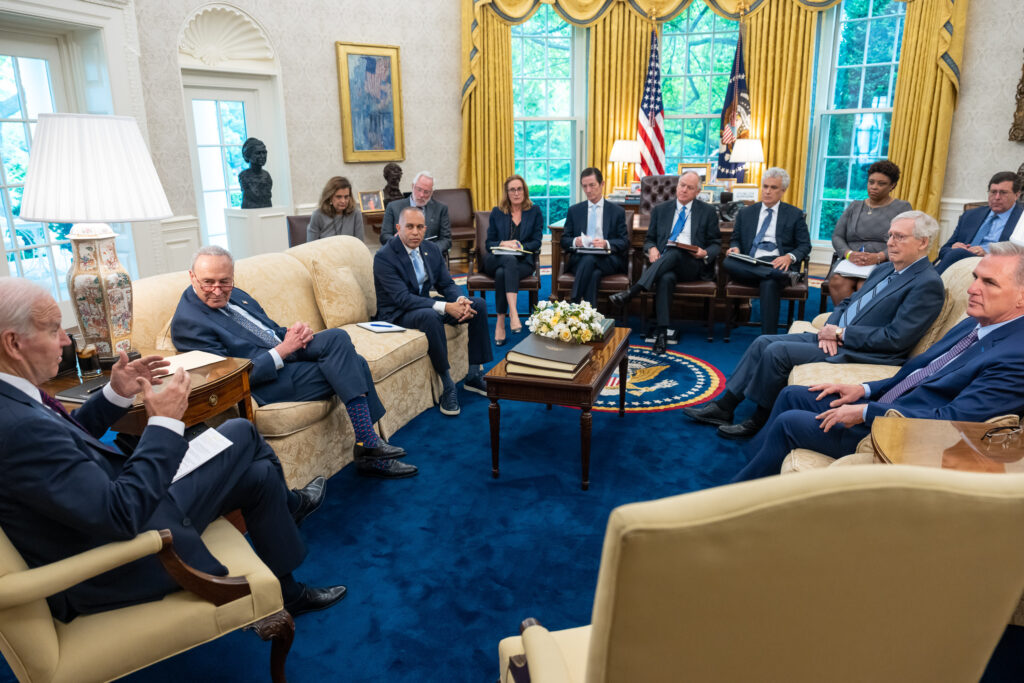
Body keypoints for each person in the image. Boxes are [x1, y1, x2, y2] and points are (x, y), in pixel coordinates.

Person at [0, 277, 345, 622]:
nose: (65, 339)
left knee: (258, 474)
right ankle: (294, 507)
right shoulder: (18, 425)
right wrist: (163, 423)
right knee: (241, 431)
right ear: (13, 343)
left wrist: (116, 393)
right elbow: (121, 515)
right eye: (54, 329)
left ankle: (288, 591)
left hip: (120, 506)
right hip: (125, 554)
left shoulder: (13, 399)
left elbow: (67, 441)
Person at [730, 241, 1024, 482]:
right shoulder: (978, 323)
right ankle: (753, 465)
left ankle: (739, 498)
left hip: (902, 431)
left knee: (789, 423)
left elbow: (952, 422)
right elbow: (919, 374)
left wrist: (868, 412)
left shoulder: (1015, 357)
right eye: (975, 278)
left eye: (989, 283)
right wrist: (865, 390)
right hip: (890, 404)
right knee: (793, 394)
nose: (973, 289)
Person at [684, 211, 944, 440]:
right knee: (763, 341)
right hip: (836, 337)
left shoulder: (926, 283)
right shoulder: (887, 269)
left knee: (777, 352)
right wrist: (830, 329)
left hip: (866, 350)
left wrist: (841, 333)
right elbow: (846, 303)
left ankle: (759, 421)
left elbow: (896, 339)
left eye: (900, 237)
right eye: (890, 235)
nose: (890, 242)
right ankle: (725, 407)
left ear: (923, 242)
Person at [170, 246, 416, 479]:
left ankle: (368, 445)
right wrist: (283, 350)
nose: (218, 289)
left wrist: (294, 334)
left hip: (283, 353)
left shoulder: (235, 294)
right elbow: (231, 378)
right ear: (192, 277)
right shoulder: (189, 323)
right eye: (208, 282)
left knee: (338, 339)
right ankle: (370, 449)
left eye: (225, 281)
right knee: (356, 363)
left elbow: (268, 329)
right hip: (265, 381)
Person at [373, 206, 492, 417]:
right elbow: (402, 299)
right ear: (399, 228)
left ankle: (474, 374)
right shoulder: (384, 257)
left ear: (425, 229)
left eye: (420, 227)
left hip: (422, 303)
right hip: (397, 314)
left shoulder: (430, 249)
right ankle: (447, 386)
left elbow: (446, 283)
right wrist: (446, 307)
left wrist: (460, 300)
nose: (415, 232)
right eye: (409, 227)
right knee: (431, 315)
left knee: (478, 305)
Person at [609, 171, 721, 353]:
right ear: (677, 186)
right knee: (665, 277)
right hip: (665, 264)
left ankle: (634, 291)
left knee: (676, 250)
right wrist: (651, 249)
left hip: (692, 265)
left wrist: (705, 252)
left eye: (690, 187)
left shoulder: (707, 212)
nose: (684, 190)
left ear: (697, 192)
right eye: (682, 185)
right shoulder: (661, 210)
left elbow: (716, 243)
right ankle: (661, 333)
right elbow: (649, 240)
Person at [723, 167, 811, 335]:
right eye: (765, 186)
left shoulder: (794, 214)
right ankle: (775, 274)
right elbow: (735, 238)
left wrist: (789, 257)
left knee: (769, 282)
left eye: (773, 187)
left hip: (777, 261)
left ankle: (767, 338)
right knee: (728, 260)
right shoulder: (746, 213)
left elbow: (805, 245)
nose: (767, 191)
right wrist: (736, 247)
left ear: (783, 191)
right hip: (751, 262)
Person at [827, 160, 912, 304]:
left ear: (892, 186)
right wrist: (849, 254)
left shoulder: (902, 208)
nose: (874, 187)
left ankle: (860, 323)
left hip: (884, 262)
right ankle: (842, 320)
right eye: (871, 182)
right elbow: (837, 236)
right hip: (851, 261)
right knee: (838, 282)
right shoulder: (855, 206)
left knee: (864, 285)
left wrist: (879, 257)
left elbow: (904, 240)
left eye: (881, 183)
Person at [485, 174, 543, 346]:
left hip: (523, 262)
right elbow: (489, 243)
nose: (516, 193)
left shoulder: (534, 212)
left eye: (519, 189)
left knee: (504, 272)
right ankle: (514, 313)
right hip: (495, 259)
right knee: (507, 262)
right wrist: (504, 243)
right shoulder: (497, 212)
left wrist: (520, 246)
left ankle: (501, 322)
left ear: (524, 191)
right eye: (512, 190)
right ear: (507, 193)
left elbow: (537, 241)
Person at [560, 167, 629, 307]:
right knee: (593, 272)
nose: (588, 190)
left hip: (608, 259)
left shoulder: (617, 211)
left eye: (592, 185)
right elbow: (563, 240)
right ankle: (591, 314)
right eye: (584, 186)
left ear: (602, 184)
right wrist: (575, 241)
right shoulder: (574, 210)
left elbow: (624, 242)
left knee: (590, 259)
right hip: (580, 259)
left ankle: (574, 303)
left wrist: (606, 243)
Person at [934, 171, 1023, 274]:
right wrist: (953, 248)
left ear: (1017, 195)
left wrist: (988, 253)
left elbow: (1019, 256)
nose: (997, 197)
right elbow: (944, 250)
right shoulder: (970, 215)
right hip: (960, 262)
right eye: (993, 192)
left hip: (995, 268)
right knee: (956, 253)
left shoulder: (1021, 219)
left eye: (1003, 193)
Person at [380, 171, 452, 254]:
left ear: (431, 192)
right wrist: (397, 242)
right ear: (412, 186)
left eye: (426, 192)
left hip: (430, 257)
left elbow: (446, 240)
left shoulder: (440, 209)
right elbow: (384, 237)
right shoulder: (393, 207)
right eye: (419, 189)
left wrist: (429, 250)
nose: (421, 195)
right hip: (401, 255)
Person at [307, 176, 365, 242]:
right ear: (329, 197)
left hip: (349, 252)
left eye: (346, 197)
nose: (343, 201)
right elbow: (311, 246)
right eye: (339, 197)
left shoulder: (356, 214)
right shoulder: (318, 215)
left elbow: (359, 244)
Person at [238, 137, 272, 209]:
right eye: (258, 153)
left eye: (264, 152)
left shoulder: (267, 175)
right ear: (248, 155)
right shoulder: (244, 176)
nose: (262, 156)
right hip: (250, 212)